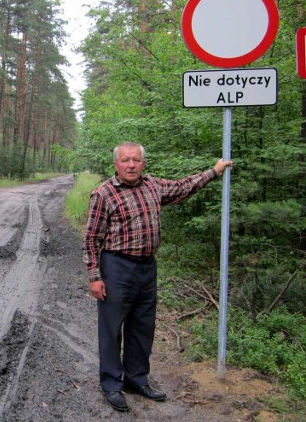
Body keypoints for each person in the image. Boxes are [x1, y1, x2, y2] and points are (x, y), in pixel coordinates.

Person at [82, 142, 232, 412]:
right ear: (115, 164)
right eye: (126, 160)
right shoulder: (103, 194)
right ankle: (112, 384)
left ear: (143, 163)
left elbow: (183, 186)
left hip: (147, 267)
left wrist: (214, 171)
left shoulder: (153, 186)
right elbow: (91, 239)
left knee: (143, 327)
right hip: (116, 266)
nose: (131, 165)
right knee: (111, 328)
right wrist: (95, 276)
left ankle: (136, 379)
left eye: (136, 160)